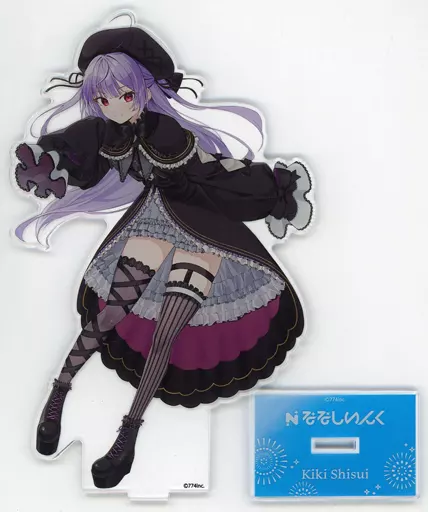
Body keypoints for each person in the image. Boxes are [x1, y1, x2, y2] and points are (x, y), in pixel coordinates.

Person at [14, 22, 313, 489]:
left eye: (124, 95)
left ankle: (128, 435)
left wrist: (272, 192)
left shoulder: (169, 133)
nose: (114, 106)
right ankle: (58, 395)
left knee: (166, 334)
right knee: (111, 313)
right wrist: (49, 164)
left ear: (144, 89)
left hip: (203, 231)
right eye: (103, 98)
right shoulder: (105, 132)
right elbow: (76, 149)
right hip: (153, 224)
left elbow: (215, 173)